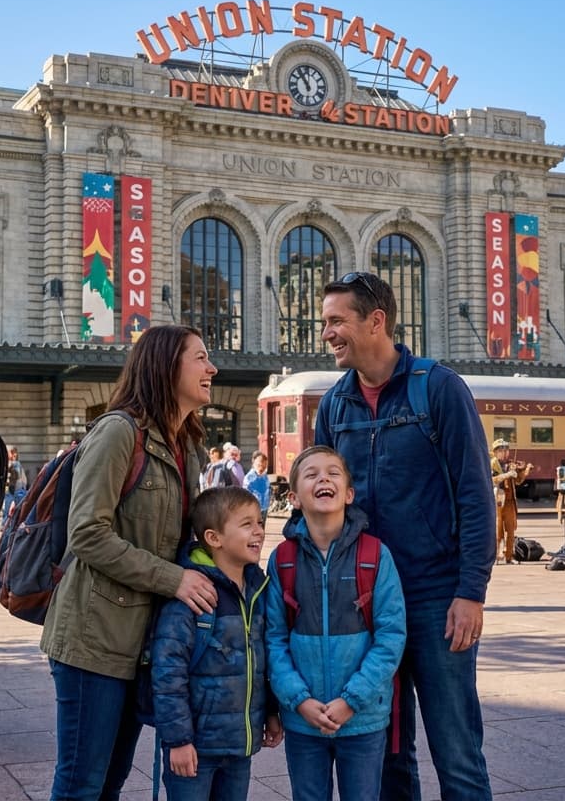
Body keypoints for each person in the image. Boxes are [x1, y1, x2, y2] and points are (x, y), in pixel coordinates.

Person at [315, 271, 495, 801]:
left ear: (376, 321)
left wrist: (470, 592)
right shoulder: (334, 405)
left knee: (457, 752)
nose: (327, 333)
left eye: (336, 321)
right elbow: (321, 506)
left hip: (436, 597)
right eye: (325, 322)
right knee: (387, 754)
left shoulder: (438, 388)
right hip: (366, 601)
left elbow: (475, 496)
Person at [41, 325, 219, 801]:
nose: (212, 368)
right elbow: (86, 533)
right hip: (94, 637)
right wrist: (174, 579)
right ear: (166, 366)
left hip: (141, 642)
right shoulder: (119, 432)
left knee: (111, 783)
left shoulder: (186, 444)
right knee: (81, 785)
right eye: (201, 357)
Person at [265, 446, 406, 801]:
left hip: (362, 719)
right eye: (311, 474)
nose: (323, 479)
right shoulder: (282, 560)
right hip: (303, 721)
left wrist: (350, 701)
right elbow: (273, 639)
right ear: (294, 498)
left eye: (333, 473)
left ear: (349, 494)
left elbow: (391, 637)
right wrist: (299, 700)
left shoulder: (375, 555)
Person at [151, 487, 283, 800]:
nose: (259, 530)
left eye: (260, 522)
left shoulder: (258, 589)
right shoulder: (193, 593)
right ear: (214, 538)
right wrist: (178, 740)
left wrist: (271, 712)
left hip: (240, 745)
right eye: (247, 524)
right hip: (195, 748)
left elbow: (263, 661)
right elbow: (168, 674)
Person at [490, 439, 532, 565]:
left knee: (510, 530)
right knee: (497, 530)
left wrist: (526, 470)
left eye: (506, 450)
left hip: (509, 501)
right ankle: (496, 556)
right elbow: (492, 480)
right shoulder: (492, 464)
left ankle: (509, 556)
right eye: (501, 450)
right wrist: (507, 475)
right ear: (495, 452)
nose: (505, 453)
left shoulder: (511, 465)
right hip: (497, 501)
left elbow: (518, 481)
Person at [243, 450, 271, 528]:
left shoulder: (264, 476)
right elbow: (246, 494)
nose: (261, 468)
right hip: (253, 508)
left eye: (264, 466)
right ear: (253, 463)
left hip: (264, 507)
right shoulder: (249, 477)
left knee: (262, 528)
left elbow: (267, 489)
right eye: (259, 465)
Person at [3, 446, 28, 529]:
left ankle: (6, 526)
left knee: (8, 512)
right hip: (12, 491)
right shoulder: (15, 464)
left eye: (8, 452)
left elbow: (16, 479)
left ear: (14, 454)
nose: (6, 454)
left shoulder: (15, 464)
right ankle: (6, 526)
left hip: (12, 491)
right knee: (8, 511)